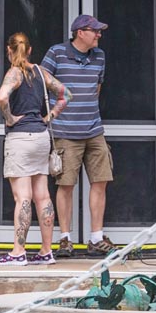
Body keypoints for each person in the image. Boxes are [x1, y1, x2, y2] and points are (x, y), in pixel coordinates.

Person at [0, 31, 70, 265]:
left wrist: (8, 118)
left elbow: (2, 97)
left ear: (9, 50)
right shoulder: (40, 72)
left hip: (21, 138)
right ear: (29, 50)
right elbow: (66, 93)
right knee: (43, 195)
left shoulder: (14, 73)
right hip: (41, 136)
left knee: (22, 197)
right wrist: (51, 115)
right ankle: (46, 251)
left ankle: (18, 252)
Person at [42, 14, 113, 256]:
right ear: (80, 32)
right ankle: (65, 238)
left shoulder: (100, 56)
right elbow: (42, 84)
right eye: (95, 31)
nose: (99, 35)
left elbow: (97, 88)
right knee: (66, 184)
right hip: (65, 131)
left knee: (101, 181)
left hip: (94, 129)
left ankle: (95, 237)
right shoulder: (57, 53)